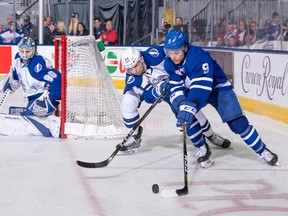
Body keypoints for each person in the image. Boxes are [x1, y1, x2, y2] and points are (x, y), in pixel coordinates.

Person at [161, 30, 278, 168]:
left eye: (176, 53)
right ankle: (202, 147)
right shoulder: (169, 62)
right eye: (170, 52)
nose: (173, 56)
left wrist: (189, 106)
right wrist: (181, 104)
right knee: (185, 115)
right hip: (194, 89)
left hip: (218, 88)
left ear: (185, 48)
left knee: (237, 123)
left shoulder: (198, 57)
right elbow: (176, 87)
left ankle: (262, 150)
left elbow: (201, 88)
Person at [119, 46, 231, 153]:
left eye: (135, 66)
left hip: (177, 83)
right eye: (129, 69)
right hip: (160, 90)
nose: (134, 70)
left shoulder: (154, 54)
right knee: (127, 101)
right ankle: (134, 136)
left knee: (191, 110)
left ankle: (210, 135)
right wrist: (157, 91)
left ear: (141, 59)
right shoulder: (132, 79)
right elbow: (148, 96)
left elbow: (174, 51)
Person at [0, 37, 61, 118]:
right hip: (31, 99)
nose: (24, 55)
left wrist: (51, 101)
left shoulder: (38, 64)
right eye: (22, 51)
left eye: (27, 51)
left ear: (32, 50)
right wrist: (13, 81)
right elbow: (18, 74)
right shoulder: (17, 59)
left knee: (26, 120)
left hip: (41, 98)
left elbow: (58, 81)